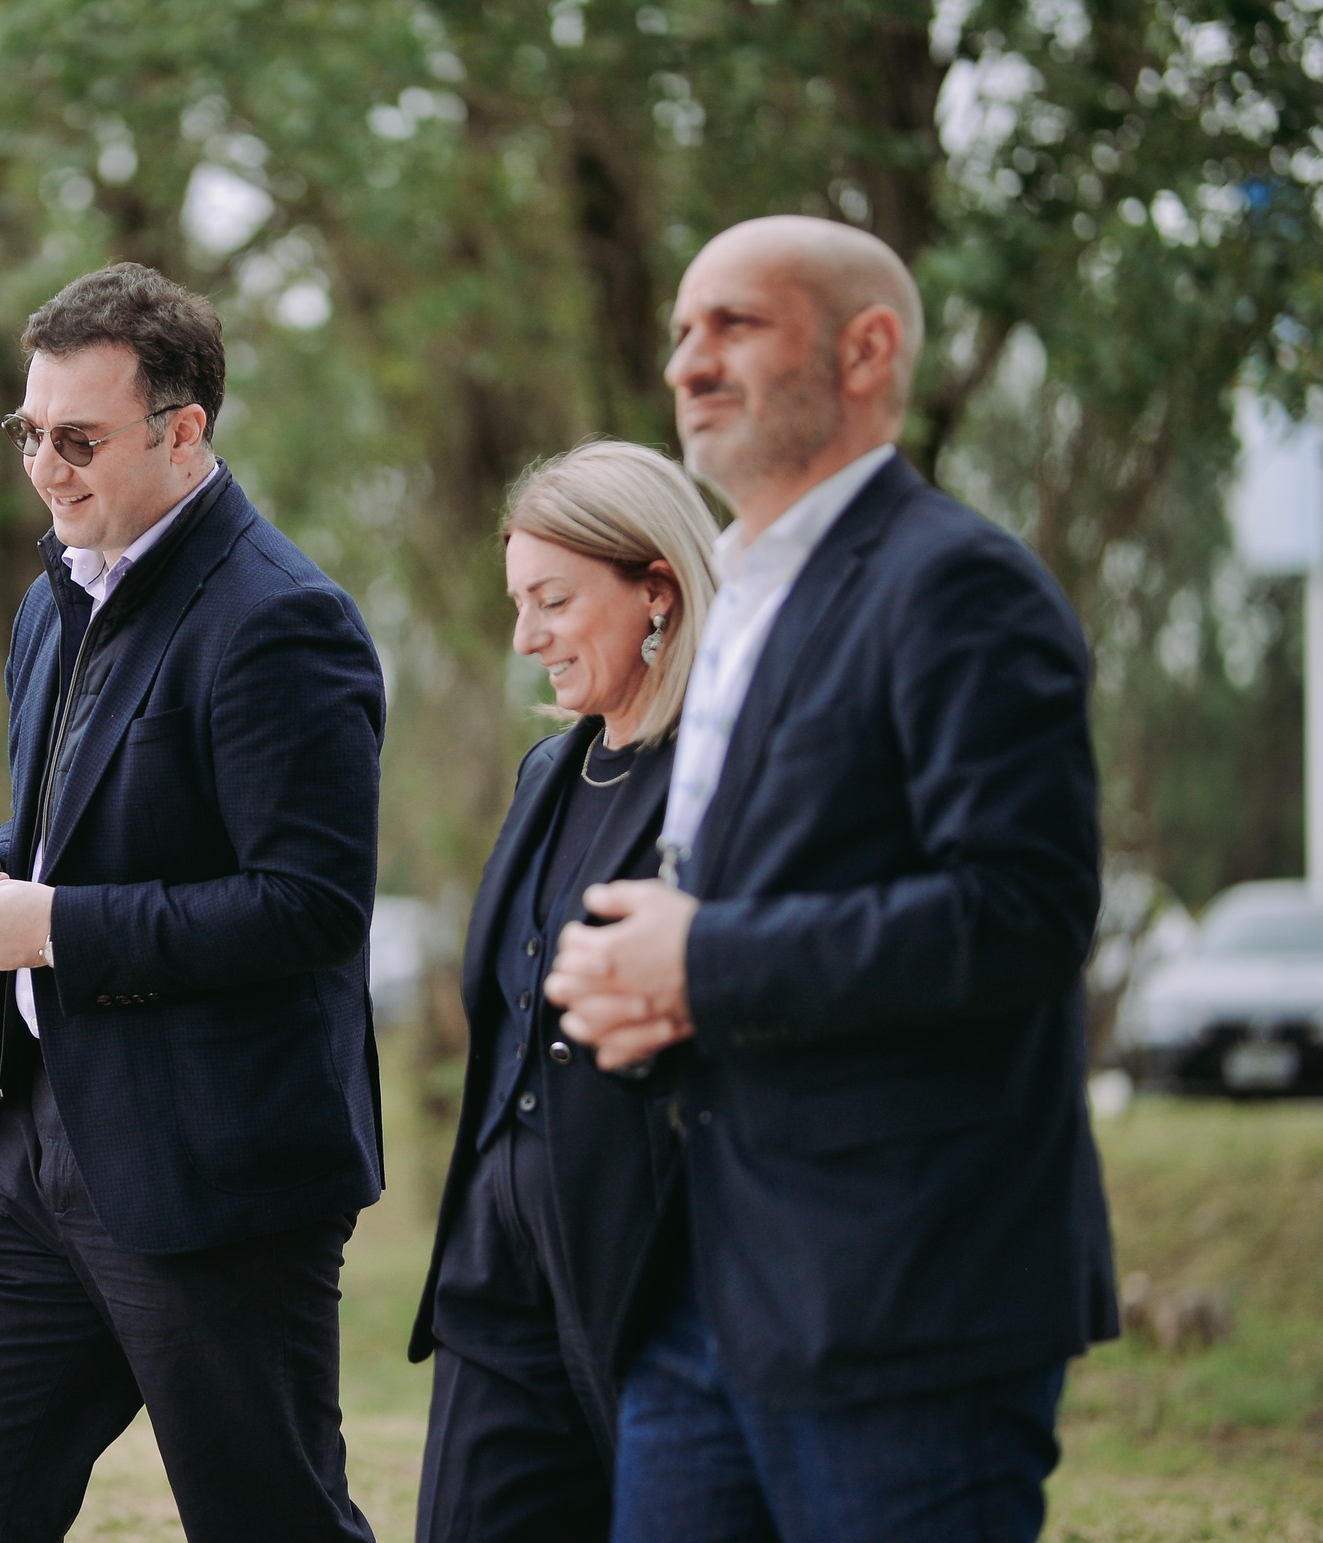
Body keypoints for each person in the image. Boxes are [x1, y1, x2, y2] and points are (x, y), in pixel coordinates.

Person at [542, 216, 1118, 1543]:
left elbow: (1023, 913)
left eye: (735, 324)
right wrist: (647, 993)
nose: (687, 361)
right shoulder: (743, 594)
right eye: (680, 331)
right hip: (704, 1286)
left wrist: (700, 962)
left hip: (905, 1294)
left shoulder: (959, 585)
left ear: (866, 351)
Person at [0, 263, 384, 1543]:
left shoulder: (283, 620)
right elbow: (104, 829)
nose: (44, 469)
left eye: (78, 439)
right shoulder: (52, 600)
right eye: (28, 433)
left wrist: (52, 926)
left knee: (270, 1522)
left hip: (216, 1166)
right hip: (38, 1149)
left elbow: (309, 905)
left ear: (182, 432)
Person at [410, 441, 721, 1542]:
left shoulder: (726, 779)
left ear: (656, 590)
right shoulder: (547, 772)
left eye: (552, 600)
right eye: (517, 604)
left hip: (650, 1271)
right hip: (493, 1274)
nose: (525, 636)